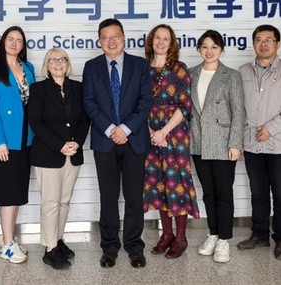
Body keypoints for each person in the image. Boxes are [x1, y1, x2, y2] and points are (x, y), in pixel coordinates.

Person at [82, 18, 151, 269]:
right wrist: (112, 129)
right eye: (106, 37)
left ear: (124, 38)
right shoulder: (91, 67)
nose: (111, 41)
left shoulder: (139, 65)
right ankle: (109, 247)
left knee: (134, 197)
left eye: (115, 36)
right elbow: (89, 103)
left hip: (134, 140)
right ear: (99, 41)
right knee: (108, 196)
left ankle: (134, 247)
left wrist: (125, 129)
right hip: (105, 141)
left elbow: (145, 101)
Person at [236, 24, 281, 260]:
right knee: (258, 193)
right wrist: (240, 139)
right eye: (259, 40)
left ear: (278, 44)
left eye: (269, 40)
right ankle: (260, 235)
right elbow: (239, 108)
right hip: (252, 145)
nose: (263, 44)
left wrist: (270, 129)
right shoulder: (243, 71)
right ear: (253, 43)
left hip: (280, 145)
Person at [29, 48, 90, 270]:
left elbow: (84, 119)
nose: (58, 63)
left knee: (64, 201)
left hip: (73, 154)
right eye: (53, 60)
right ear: (47, 65)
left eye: (62, 59)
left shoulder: (78, 88)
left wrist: (77, 142)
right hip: (48, 155)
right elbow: (35, 122)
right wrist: (60, 145)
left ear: (68, 64)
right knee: (51, 203)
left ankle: (58, 239)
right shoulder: (38, 89)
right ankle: (49, 249)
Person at [0, 26, 35, 264]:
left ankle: (11, 238)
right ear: (3, 42)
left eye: (19, 40)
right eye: (10, 39)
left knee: (17, 191)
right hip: (3, 139)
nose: (14, 43)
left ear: (23, 45)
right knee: (7, 193)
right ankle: (6, 245)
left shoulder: (28, 67)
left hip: (25, 137)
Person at [143, 24, 200, 259]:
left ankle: (181, 238)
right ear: (151, 41)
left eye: (166, 38)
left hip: (174, 134)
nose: (161, 42)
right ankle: (166, 235)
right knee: (158, 183)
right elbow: (138, 103)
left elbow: (185, 105)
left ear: (172, 43)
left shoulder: (179, 69)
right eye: (157, 38)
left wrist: (163, 132)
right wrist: (151, 131)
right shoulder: (143, 69)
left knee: (177, 183)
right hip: (150, 132)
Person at [189, 30, 245, 263]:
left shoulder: (231, 75)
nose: (209, 51)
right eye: (204, 46)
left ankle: (224, 240)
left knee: (223, 193)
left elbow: (238, 111)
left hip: (223, 142)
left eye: (214, 47)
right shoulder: (191, 74)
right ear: (199, 49)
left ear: (221, 49)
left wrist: (235, 143)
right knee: (209, 193)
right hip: (198, 141)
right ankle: (213, 234)